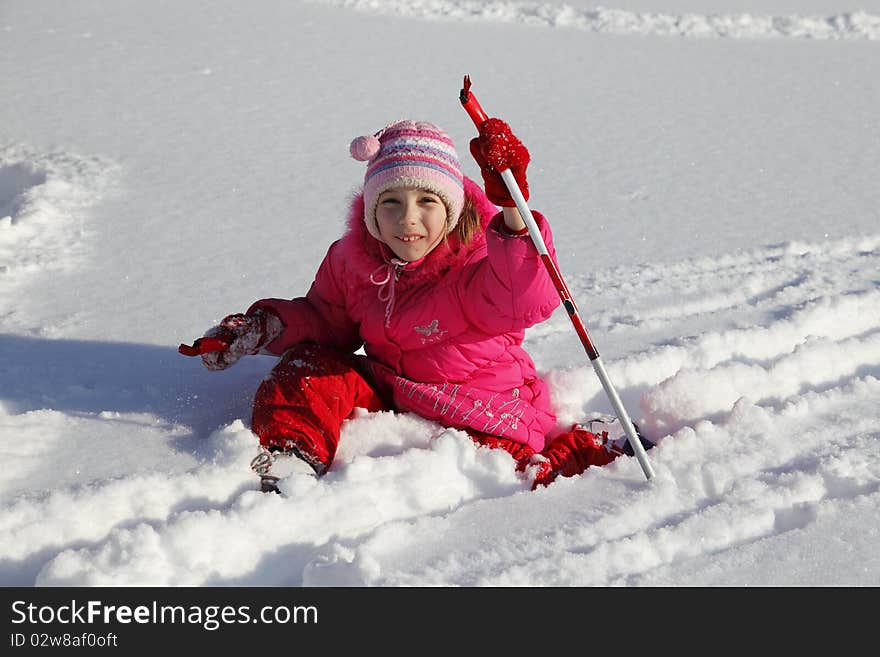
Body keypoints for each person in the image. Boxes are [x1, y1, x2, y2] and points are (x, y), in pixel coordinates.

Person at [195, 118, 635, 491]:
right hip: (398, 389)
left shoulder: (476, 263)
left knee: (521, 469)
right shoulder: (353, 262)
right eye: (391, 203)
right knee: (309, 366)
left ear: (452, 211)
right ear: (370, 212)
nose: (408, 218)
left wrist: (513, 212)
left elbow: (523, 295)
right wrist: (263, 326)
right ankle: (292, 457)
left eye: (427, 201)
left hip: (479, 409)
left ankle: (592, 449)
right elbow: (326, 322)